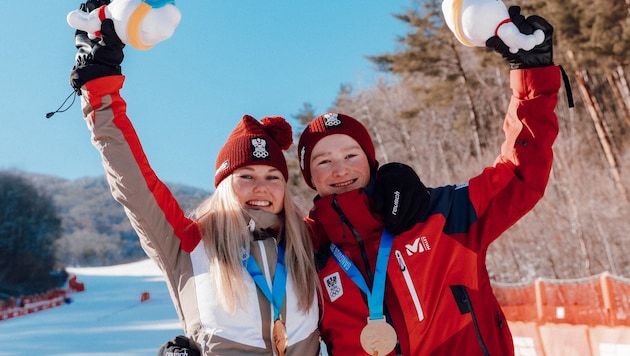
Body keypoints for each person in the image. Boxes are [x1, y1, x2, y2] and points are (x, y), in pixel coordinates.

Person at [296, 7, 561, 356]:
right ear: (310, 177)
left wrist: (531, 78)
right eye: (324, 161)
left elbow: (518, 173)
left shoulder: (441, 212)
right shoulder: (305, 253)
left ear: (371, 162)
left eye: (350, 155)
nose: (340, 170)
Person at [68, 1, 320, 354]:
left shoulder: (312, 241)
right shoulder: (189, 243)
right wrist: (101, 91)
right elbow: (134, 182)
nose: (262, 186)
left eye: (273, 176)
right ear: (223, 186)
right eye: (245, 175)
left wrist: (398, 190)